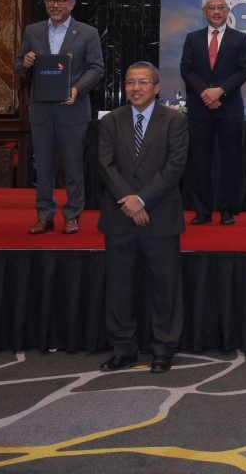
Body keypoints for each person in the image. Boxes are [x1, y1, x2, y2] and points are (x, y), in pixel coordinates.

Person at [97, 62, 188, 374]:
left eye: (143, 82)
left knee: (165, 287)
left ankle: (163, 349)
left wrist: (142, 199)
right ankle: (122, 349)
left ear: (157, 87)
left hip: (160, 216)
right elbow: (105, 166)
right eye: (130, 82)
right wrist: (130, 201)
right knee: (119, 288)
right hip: (119, 216)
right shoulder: (110, 121)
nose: (136, 88)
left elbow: (175, 167)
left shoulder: (174, 121)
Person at [15, 0, 105, 235]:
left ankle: (72, 215)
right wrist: (27, 62)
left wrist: (77, 89)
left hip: (73, 110)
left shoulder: (87, 33)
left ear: (72, 4)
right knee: (42, 167)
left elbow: (97, 68)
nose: (56, 5)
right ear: (45, 3)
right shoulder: (32, 31)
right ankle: (44, 216)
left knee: (74, 166)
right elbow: (20, 65)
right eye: (52, 0)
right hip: (41, 111)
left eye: (62, 0)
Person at [180, 0, 246, 225]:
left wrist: (220, 91)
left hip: (229, 108)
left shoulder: (240, 39)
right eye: (212, 8)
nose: (217, 11)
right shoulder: (192, 38)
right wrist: (206, 93)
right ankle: (203, 210)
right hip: (200, 109)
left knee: (230, 161)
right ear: (205, 12)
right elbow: (187, 70)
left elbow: (243, 71)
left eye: (221, 7)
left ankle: (228, 210)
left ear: (228, 11)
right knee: (200, 160)